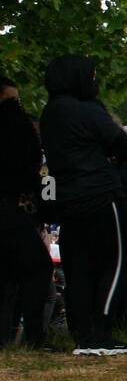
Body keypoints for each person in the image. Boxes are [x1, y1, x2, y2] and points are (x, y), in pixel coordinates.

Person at [39, 54, 127, 355]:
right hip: (101, 194)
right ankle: (102, 330)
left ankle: (82, 331)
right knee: (115, 263)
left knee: (79, 268)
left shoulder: (50, 114)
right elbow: (121, 144)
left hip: (69, 199)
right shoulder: (86, 111)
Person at [0, 76, 53, 349]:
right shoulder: (15, 129)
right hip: (11, 208)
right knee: (37, 267)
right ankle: (34, 336)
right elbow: (26, 172)